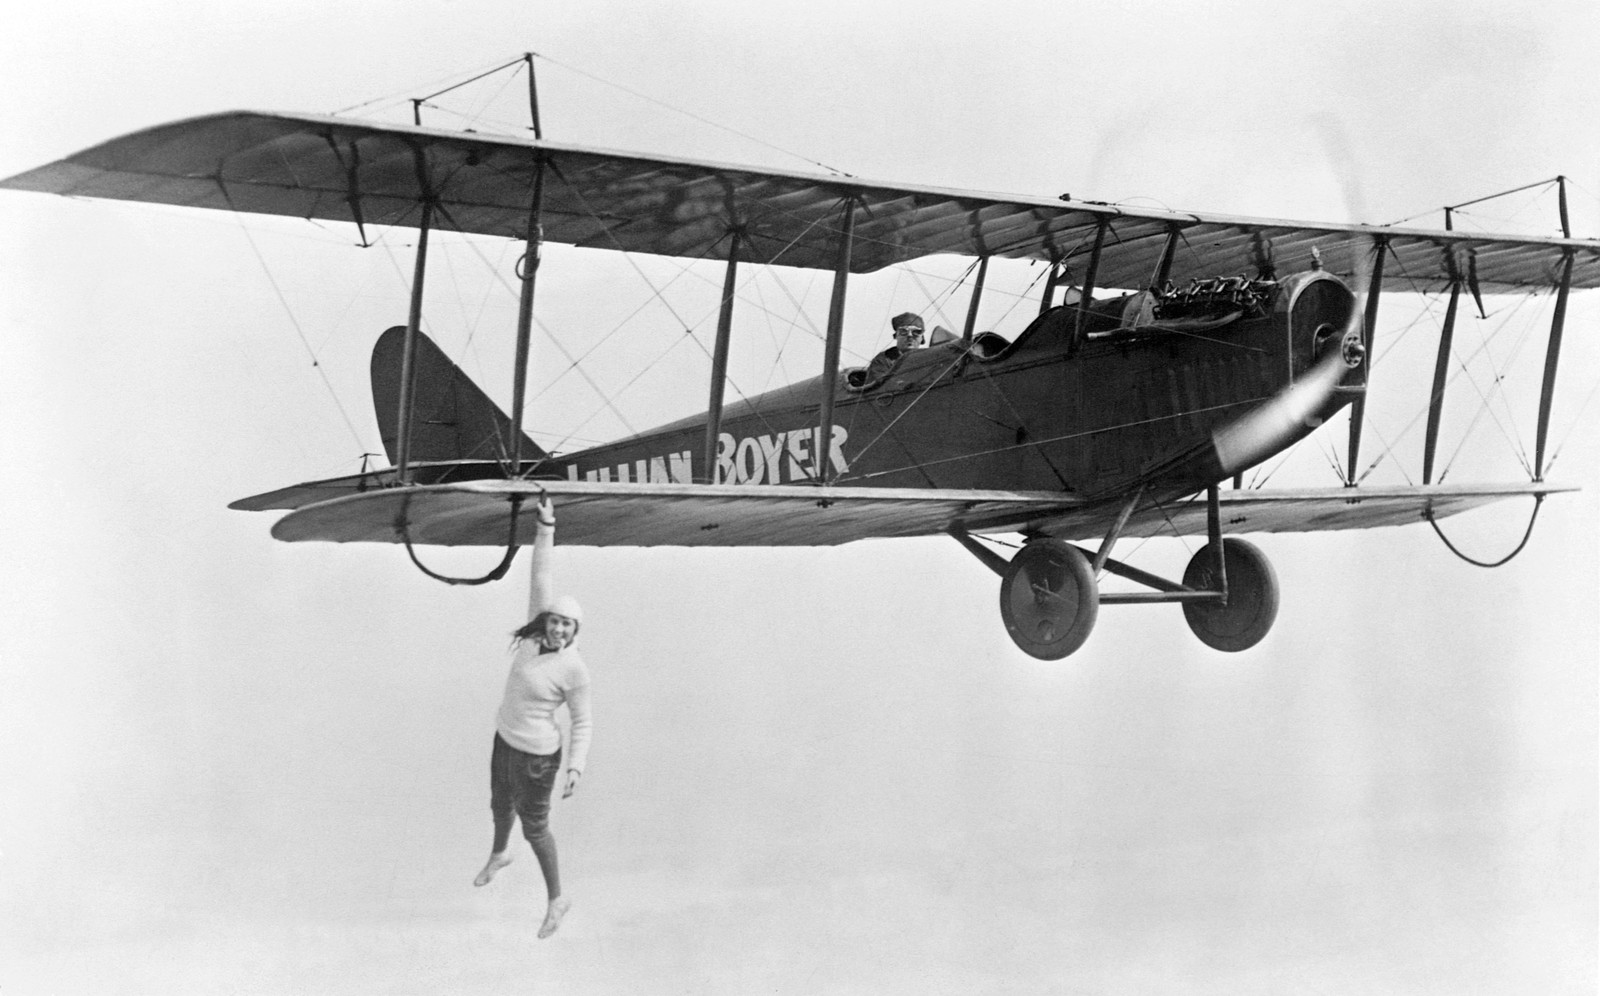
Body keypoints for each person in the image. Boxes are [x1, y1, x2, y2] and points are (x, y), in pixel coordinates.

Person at [472, 495, 593, 941]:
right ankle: (499, 855)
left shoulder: (574, 669)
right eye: (555, 621)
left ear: (575, 632)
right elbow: (540, 574)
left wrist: (576, 766)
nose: (558, 629)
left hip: (538, 758)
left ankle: (556, 899)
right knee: (498, 805)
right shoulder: (532, 635)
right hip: (505, 738)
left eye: (567, 626)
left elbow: (583, 722)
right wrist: (546, 525)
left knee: (535, 827)